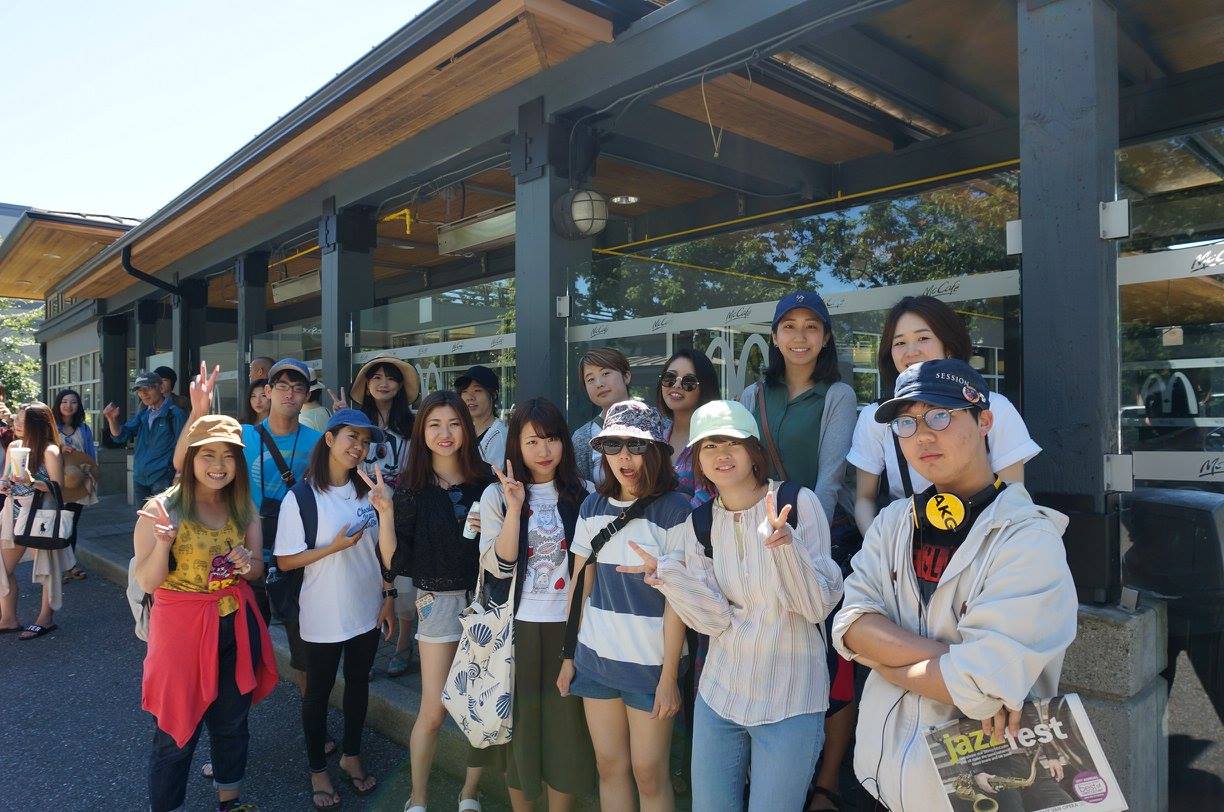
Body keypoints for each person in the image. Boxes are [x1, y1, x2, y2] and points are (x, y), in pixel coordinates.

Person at [831, 359, 1078, 811]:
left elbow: (982, 687)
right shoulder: (893, 522)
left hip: (982, 791)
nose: (922, 435)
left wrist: (882, 662)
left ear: (985, 421)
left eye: (940, 415)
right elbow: (849, 625)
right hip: (883, 782)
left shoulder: (1028, 538)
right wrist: (950, 665)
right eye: (907, 423)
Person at [620, 400, 844, 812]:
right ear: (698, 459)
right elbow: (714, 620)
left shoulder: (796, 503)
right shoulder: (700, 523)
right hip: (720, 693)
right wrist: (670, 577)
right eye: (709, 446)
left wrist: (786, 548)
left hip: (791, 697)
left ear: (753, 449)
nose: (721, 455)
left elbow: (816, 608)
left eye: (732, 443)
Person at [737, 291, 859, 811]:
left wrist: (806, 550)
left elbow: (831, 478)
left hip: (818, 543)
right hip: (759, 544)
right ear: (774, 336)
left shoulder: (838, 395)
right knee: (768, 655)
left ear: (826, 337)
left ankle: (825, 783)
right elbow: (742, 470)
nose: (800, 336)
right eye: (789, 326)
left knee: (831, 664)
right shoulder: (752, 395)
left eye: (812, 326)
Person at [135, 414, 276, 812]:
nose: (218, 465)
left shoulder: (242, 505)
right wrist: (164, 544)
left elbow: (257, 570)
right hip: (180, 630)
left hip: (235, 622)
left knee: (232, 721)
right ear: (192, 458)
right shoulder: (163, 509)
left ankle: (230, 801)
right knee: (175, 727)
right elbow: (147, 581)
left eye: (228, 456)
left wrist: (246, 563)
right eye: (208, 455)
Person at [559, 400, 690, 812]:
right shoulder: (591, 508)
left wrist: (670, 677)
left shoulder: (676, 509)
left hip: (651, 666)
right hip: (595, 658)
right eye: (613, 445)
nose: (624, 457)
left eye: (635, 445)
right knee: (609, 766)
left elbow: (679, 602)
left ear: (656, 450)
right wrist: (568, 656)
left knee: (649, 773)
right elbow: (580, 586)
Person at [273, 409, 399, 810]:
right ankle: (317, 770)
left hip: (367, 609)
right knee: (318, 693)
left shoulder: (368, 490)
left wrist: (389, 596)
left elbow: (383, 553)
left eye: (364, 441)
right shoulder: (301, 498)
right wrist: (333, 548)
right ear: (329, 439)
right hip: (322, 613)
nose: (358, 446)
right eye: (351, 437)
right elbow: (285, 561)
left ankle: (351, 754)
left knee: (359, 684)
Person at [476, 398, 596, 811]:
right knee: (521, 731)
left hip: (569, 628)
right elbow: (500, 563)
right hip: (517, 628)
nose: (543, 450)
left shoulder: (585, 493)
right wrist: (514, 509)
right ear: (517, 445)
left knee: (566, 729)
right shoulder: (496, 495)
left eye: (551, 439)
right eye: (532, 441)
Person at [849, 295, 1041, 536]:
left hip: (985, 540)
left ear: (948, 347)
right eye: (899, 342)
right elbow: (864, 499)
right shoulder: (875, 416)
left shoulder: (994, 408)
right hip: (905, 542)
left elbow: (1013, 498)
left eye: (923, 338)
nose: (911, 351)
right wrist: (881, 549)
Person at [393, 391, 493, 812]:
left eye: (454, 423)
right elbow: (397, 559)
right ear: (422, 432)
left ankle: (469, 793)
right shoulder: (410, 488)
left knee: (481, 706)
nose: (445, 433)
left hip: (486, 599)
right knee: (433, 711)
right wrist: (384, 514)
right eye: (434, 424)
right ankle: (417, 798)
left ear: (466, 429)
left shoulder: (488, 482)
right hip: (436, 600)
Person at [351, 355, 420, 678]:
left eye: (390, 378)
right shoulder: (356, 422)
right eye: (376, 377)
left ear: (401, 385)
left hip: (402, 509)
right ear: (366, 385)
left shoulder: (413, 424)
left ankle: (403, 645)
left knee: (402, 581)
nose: (383, 383)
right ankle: (364, 652)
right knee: (366, 579)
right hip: (363, 508)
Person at [0, 403, 69, 640]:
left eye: (23, 420)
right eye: (17, 419)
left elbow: (58, 487)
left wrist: (31, 481)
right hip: (14, 512)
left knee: (47, 569)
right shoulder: (14, 446)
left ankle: (45, 619)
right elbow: (7, 477)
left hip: (42, 514)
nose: (17, 424)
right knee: (3, 567)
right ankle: (8, 619)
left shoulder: (50, 450)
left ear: (38, 424)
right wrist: (5, 484)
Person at [103, 370, 187, 502]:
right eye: (139, 390)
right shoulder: (143, 414)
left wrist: (179, 474)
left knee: (162, 516)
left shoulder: (175, 414)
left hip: (164, 478)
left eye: (148, 388)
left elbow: (184, 447)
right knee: (142, 516)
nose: (143, 393)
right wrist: (111, 419)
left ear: (161, 388)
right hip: (140, 478)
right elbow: (120, 436)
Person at [656, 349, 720, 505]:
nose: (676, 385)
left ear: (705, 387)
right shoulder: (656, 437)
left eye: (688, 382)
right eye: (670, 378)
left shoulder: (715, 440)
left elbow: (710, 500)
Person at [571, 348, 633, 486]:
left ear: (626, 376)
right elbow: (583, 490)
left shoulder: (658, 423)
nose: (599, 383)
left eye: (605, 373)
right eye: (590, 379)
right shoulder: (582, 437)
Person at [55, 388, 97, 582]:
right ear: (58, 404)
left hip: (78, 482)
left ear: (78, 406)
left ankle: (69, 566)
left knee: (71, 524)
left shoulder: (84, 428)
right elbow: (42, 450)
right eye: (64, 401)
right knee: (58, 525)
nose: (68, 405)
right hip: (55, 484)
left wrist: (92, 476)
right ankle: (57, 567)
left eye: (73, 402)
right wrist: (59, 447)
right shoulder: (51, 427)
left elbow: (90, 456)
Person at [456, 365, 507, 467]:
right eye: (465, 391)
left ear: (493, 395)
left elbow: (495, 475)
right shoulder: (466, 430)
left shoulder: (499, 435)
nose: (470, 397)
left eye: (477, 390)